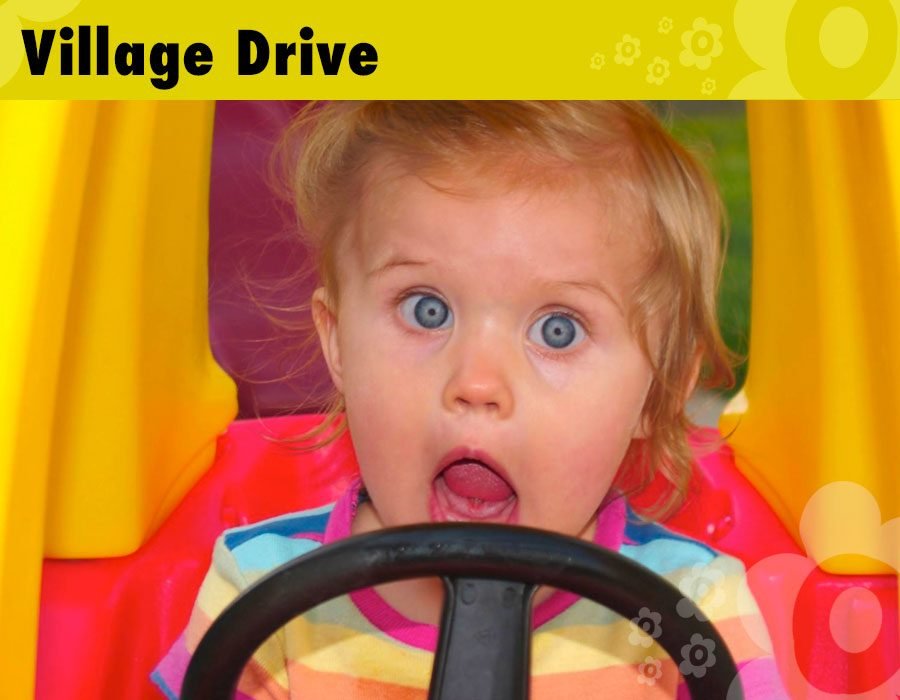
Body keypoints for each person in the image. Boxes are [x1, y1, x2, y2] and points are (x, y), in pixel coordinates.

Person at [152, 101, 786, 698]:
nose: (477, 383)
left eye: (556, 330)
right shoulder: (261, 597)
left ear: (662, 389)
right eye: (427, 310)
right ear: (338, 339)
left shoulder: (691, 607)